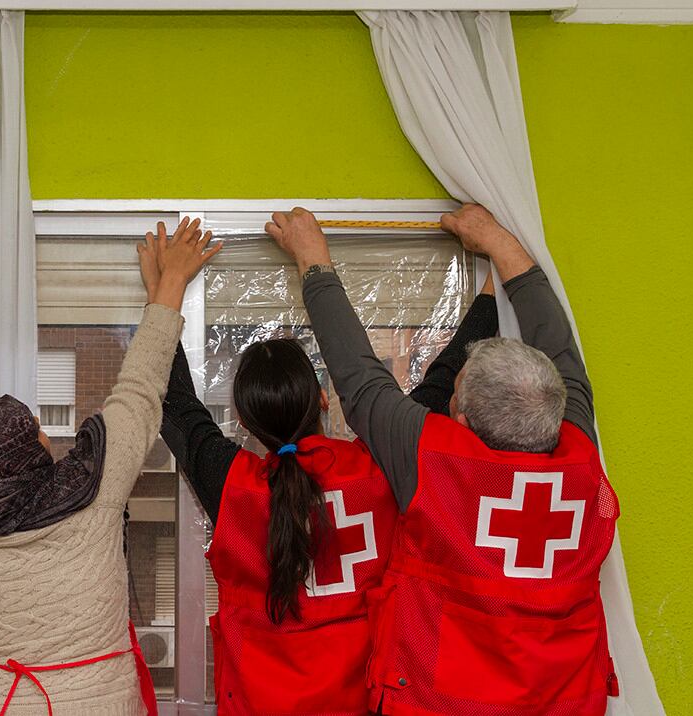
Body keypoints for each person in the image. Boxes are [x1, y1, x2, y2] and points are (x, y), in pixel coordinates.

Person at [266, 205, 620, 716]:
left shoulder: (433, 461)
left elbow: (359, 381)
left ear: (465, 422)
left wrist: (312, 260)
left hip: (440, 701)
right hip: (565, 700)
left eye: (454, 392)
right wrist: (497, 241)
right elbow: (561, 349)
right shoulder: (578, 451)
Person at [155, 247, 499, 714]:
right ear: (322, 398)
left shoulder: (234, 487)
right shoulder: (378, 468)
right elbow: (441, 384)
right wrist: (494, 288)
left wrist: (165, 289)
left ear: (243, 419)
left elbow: (174, 402)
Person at [0, 218, 220, 716]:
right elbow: (139, 389)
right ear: (24, 459)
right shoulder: (92, 491)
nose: (43, 430)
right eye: (34, 430)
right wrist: (170, 284)